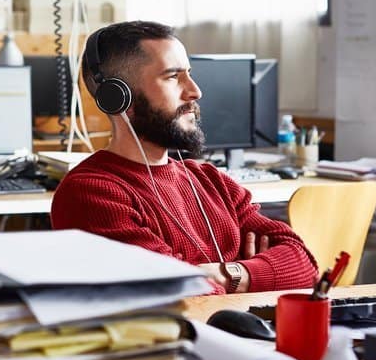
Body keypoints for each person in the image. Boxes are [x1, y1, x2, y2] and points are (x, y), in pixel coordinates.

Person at [50, 21, 318, 294]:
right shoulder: (92, 193)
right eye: (172, 77)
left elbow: (305, 266)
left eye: (189, 73)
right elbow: (180, 292)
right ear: (119, 97)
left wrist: (229, 273)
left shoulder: (211, 180)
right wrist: (257, 272)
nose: (195, 91)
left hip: (246, 334)